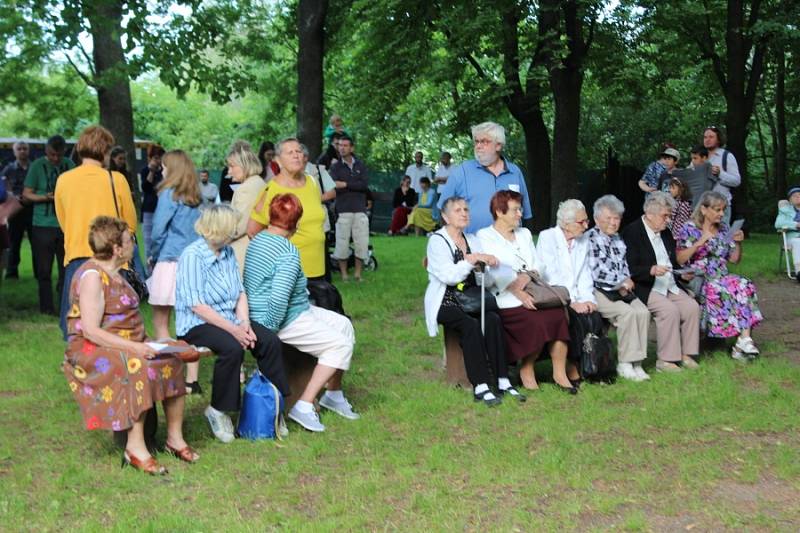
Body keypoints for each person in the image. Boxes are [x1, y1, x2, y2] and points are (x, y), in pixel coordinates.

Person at [62, 216, 197, 474]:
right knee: (138, 365)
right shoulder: (93, 277)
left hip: (128, 343)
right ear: (117, 249)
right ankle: (135, 448)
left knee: (173, 358)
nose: (134, 245)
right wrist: (135, 348)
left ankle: (174, 439)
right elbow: (91, 331)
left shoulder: (119, 273)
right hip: (93, 348)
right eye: (129, 241)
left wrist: (161, 344)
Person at [245, 193, 360, 430]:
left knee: (344, 326)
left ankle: (333, 394)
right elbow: (278, 300)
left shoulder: (257, 240)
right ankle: (304, 405)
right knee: (340, 345)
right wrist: (268, 333)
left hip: (284, 311)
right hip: (282, 319)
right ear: (296, 224)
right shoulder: (287, 253)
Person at [176, 204, 289, 443]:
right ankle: (218, 410)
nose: (236, 231)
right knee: (231, 347)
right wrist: (235, 331)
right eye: (232, 228)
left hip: (229, 318)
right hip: (197, 322)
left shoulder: (227, 252)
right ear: (218, 230)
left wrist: (245, 323)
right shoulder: (192, 256)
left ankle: (274, 406)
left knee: (269, 341)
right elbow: (197, 305)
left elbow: (240, 292)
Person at [426, 196, 524, 405]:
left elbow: (484, 281)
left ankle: (502, 379)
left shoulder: (473, 240)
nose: (464, 213)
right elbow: (448, 276)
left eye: (466, 210)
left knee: (493, 319)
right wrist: (470, 261)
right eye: (458, 210)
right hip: (446, 299)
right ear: (445, 216)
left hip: (471, 297)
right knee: (470, 325)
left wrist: (486, 266)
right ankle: (480, 385)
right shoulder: (437, 241)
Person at [477, 191, 573, 393]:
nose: (520, 214)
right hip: (505, 296)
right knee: (536, 320)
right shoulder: (485, 236)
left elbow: (539, 263)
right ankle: (527, 368)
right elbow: (492, 273)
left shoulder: (525, 234)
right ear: (499, 212)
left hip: (534, 289)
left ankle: (559, 373)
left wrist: (528, 276)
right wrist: (517, 291)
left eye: (520, 209)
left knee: (557, 315)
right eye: (515, 210)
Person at [55, 125, 138, 338]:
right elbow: (129, 223)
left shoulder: (63, 180)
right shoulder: (116, 180)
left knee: (76, 321)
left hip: (76, 255)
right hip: (111, 257)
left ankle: (79, 363)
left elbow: (63, 221)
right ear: (105, 151)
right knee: (113, 321)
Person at [676, 191, 763, 361]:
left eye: (723, 209)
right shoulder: (689, 228)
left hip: (721, 276)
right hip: (699, 278)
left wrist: (738, 242)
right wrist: (700, 241)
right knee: (723, 288)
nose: (722, 214)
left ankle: (744, 339)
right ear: (704, 209)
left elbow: (734, 259)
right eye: (717, 210)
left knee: (744, 284)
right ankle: (739, 346)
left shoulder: (723, 229)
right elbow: (680, 259)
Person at [621, 192, 701, 372]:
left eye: (670, 216)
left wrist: (682, 275)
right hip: (646, 286)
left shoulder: (665, 233)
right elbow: (628, 267)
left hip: (669, 284)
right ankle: (666, 360)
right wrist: (650, 270)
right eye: (665, 216)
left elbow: (671, 262)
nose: (668, 220)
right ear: (650, 214)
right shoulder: (632, 232)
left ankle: (687, 355)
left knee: (691, 307)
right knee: (669, 310)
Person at [537, 199, 607, 378]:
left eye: (586, 221)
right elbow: (550, 276)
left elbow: (584, 273)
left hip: (577, 295)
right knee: (573, 317)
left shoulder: (582, 241)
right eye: (581, 222)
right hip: (555, 295)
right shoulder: (548, 237)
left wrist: (588, 299)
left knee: (593, 315)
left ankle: (591, 363)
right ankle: (572, 364)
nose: (586, 225)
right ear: (566, 224)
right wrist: (573, 302)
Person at [586, 195, 652, 382]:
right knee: (627, 313)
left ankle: (637, 362)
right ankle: (624, 363)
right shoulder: (591, 238)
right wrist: (621, 282)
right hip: (598, 290)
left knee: (642, 311)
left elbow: (623, 266)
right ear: (597, 219)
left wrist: (625, 280)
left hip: (619, 289)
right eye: (609, 219)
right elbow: (596, 272)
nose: (614, 223)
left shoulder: (617, 239)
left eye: (617, 218)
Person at [248, 138, 327, 280]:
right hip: (288, 273)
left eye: (298, 151)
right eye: (290, 152)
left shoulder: (313, 183)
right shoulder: (271, 189)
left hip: (318, 268)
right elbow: (253, 231)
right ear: (278, 160)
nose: (296, 155)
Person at [147, 150, 202, 344]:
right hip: (192, 261)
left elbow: (158, 231)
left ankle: (166, 363)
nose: (161, 171)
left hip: (170, 258)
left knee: (161, 320)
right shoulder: (196, 196)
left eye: (163, 167)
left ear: (172, 169)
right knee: (189, 319)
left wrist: (153, 255)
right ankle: (190, 370)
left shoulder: (168, 194)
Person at [437, 122, 532, 234]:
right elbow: (443, 210)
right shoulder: (462, 171)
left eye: (484, 142)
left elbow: (525, 213)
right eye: (476, 141)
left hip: (510, 246)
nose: (478, 146)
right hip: (474, 246)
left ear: (498, 145)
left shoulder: (514, 172)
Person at [23, 135, 75, 315]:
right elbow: (27, 194)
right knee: (44, 269)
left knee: (65, 268)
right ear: (46, 151)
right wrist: (46, 197)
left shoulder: (69, 166)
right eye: (52, 155)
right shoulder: (37, 166)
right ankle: (46, 307)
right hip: (42, 225)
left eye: (59, 155)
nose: (55, 159)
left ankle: (64, 306)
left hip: (65, 225)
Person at [329, 135, 370, 282]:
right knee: (342, 242)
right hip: (343, 209)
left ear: (351, 148)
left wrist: (346, 184)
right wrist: (353, 184)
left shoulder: (360, 165)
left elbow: (364, 186)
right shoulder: (335, 167)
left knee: (361, 242)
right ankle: (344, 275)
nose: (342, 148)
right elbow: (333, 185)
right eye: (340, 145)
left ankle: (358, 274)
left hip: (360, 209)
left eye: (345, 145)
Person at [225, 141, 266, 273]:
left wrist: (217, 240)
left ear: (244, 165)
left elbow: (239, 227)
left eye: (232, 166)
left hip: (244, 252)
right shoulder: (259, 182)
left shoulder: (246, 189)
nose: (229, 171)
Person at [0, 141, 32, 280]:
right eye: (19, 149)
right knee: (14, 243)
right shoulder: (8, 169)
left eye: (25, 148)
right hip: (15, 211)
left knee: (37, 245)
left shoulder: (35, 168)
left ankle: (40, 273)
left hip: (33, 210)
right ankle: (12, 273)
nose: (22, 151)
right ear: (14, 152)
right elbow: (4, 189)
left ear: (28, 150)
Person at [703, 126, 740, 225]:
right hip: (702, 206)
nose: (707, 140)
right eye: (705, 137)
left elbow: (736, 181)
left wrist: (720, 174)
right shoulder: (700, 156)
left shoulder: (727, 156)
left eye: (711, 137)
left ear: (719, 139)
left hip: (721, 206)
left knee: (721, 238)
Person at [140, 144, 166, 258]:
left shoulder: (164, 173)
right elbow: (145, 187)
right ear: (150, 158)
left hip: (162, 209)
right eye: (156, 158)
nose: (158, 160)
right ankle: (149, 268)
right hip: (149, 209)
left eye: (160, 157)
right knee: (148, 242)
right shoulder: (145, 171)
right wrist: (151, 171)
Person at [775, 186, 800, 280]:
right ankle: (799, 271)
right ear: (790, 200)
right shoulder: (785, 211)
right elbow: (778, 224)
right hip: (793, 238)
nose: (798, 197)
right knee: (798, 242)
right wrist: (796, 224)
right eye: (795, 196)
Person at [109, 145, 140, 212]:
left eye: (124, 159)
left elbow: (131, 189)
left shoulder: (127, 174)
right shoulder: (107, 173)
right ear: (113, 158)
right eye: (120, 158)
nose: (122, 161)